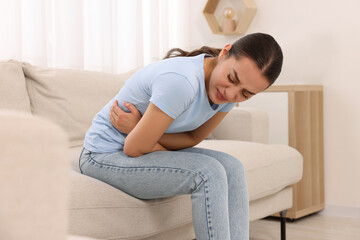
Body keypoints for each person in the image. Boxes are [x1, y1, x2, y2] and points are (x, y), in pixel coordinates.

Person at [79, 32, 283, 240]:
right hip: (102, 155)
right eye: (232, 78)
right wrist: (139, 133)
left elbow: (192, 138)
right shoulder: (182, 82)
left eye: (246, 94)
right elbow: (134, 147)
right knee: (208, 173)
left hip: (137, 148)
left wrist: (139, 128)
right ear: (224, 52)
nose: (231, 94)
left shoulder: (227, 94)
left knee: (233, 168)